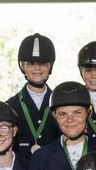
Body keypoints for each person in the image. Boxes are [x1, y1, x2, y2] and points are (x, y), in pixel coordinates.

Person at [7, 33, 59, 161]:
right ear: (23, 66)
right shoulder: (10, 106)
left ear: (50, 66)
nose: (37, 67)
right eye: (31, 63)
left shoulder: (61, 101)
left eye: (43, 63)